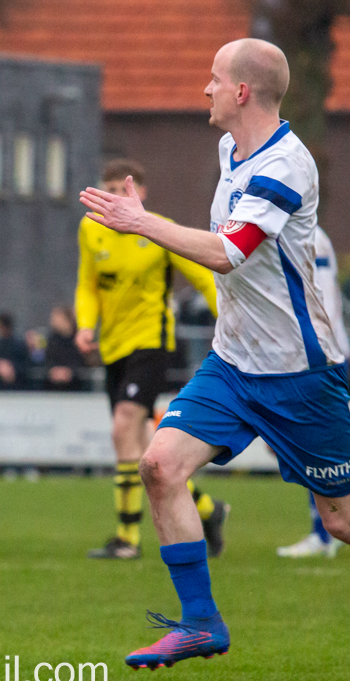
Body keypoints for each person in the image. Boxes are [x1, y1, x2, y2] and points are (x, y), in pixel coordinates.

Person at [81, 39, 350, 681]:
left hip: (298, 374)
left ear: (242, 91)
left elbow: (228, 252)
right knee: (159, 466)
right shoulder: (229, 150)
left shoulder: (286, 166)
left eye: (213, 79)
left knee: (348, 522)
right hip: (233, 363)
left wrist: (142, 222)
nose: (204, 89)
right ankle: (200, 622)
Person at [74, 159, 227, 561]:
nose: (114, 196)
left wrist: (230, 319)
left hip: (151, 343)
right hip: (113, 348)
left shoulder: (157, 229)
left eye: (121, 188)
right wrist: (85, 325)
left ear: (139, 192)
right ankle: (208, 511)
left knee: (123, 426)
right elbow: (87, 284)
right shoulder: (91, 230)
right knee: (144, 448)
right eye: (107, 188)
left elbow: (203, 275)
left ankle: (127, 538)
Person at [277, 226, 350, 559]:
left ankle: (326, 533)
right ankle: (329, 530)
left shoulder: (306, 235)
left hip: (318, 357)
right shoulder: (308, 233)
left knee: (316, 450)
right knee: (311, 449)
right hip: (317, 355)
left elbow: (319, 300)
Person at [43, 306, 85, 391]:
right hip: (53, 387)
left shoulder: (79, 339)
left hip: (77, 387)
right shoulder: (51, 340)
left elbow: (82, 360)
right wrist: (53, 370)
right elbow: (47, 359)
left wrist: (70, 371)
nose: (53, 321)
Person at [0, 312, 30, 390]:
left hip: (18, 389)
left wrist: (12, 369)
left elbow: (26, 365)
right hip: (0, 389)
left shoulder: (19, 345)